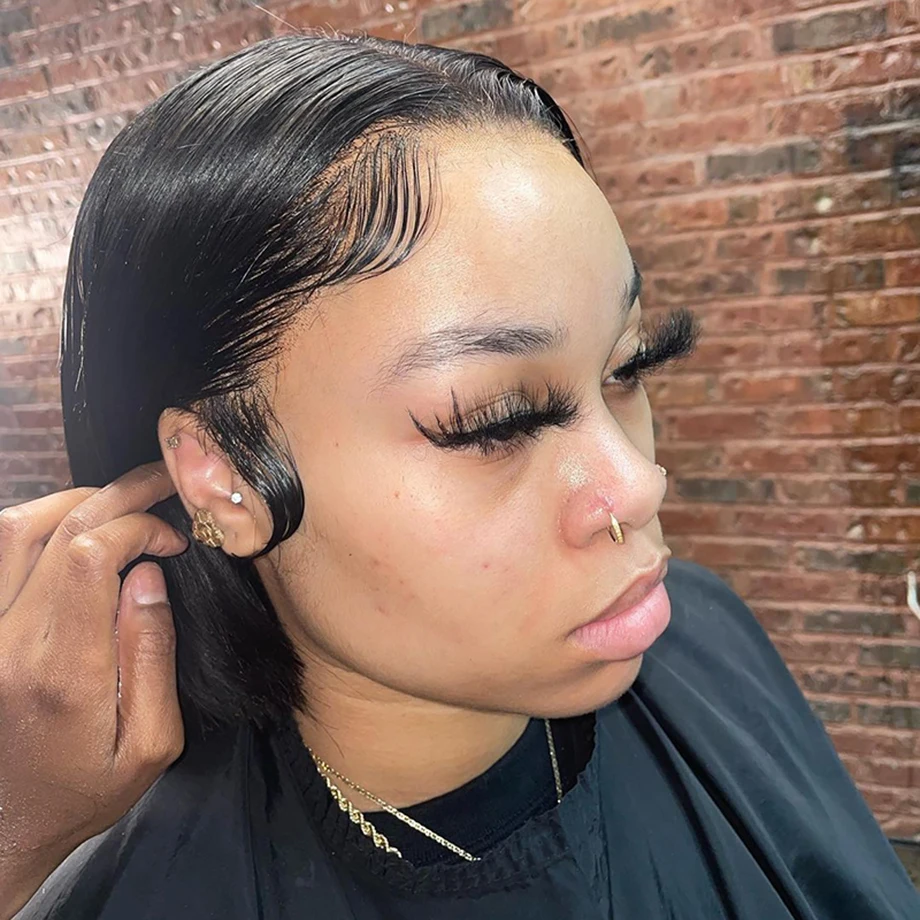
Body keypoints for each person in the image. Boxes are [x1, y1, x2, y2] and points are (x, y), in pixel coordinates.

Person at [1, 31, 916, 920]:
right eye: (495, 422)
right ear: (223, 474)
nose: (638, 484)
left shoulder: (711, 633)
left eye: (629, 366)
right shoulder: (145, 884)